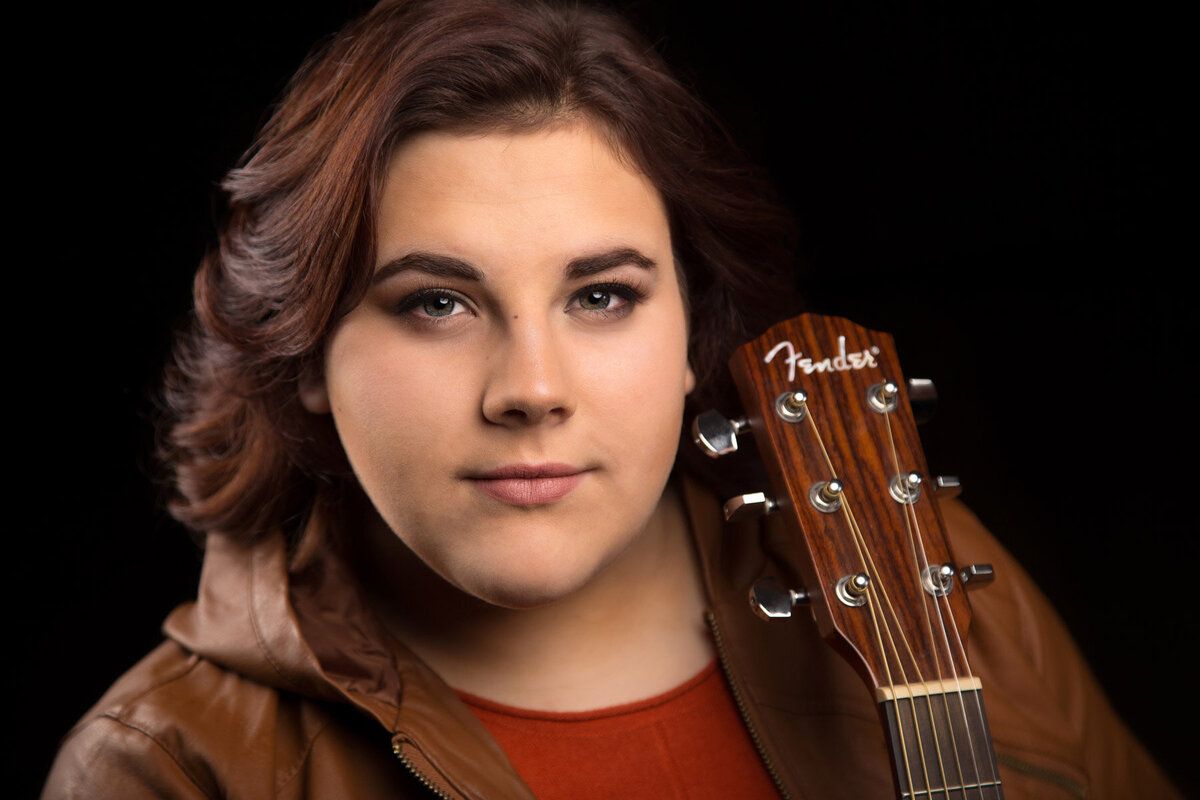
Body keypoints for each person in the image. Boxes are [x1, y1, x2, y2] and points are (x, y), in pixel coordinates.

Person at [43, 0, 1178, 797]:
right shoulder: (166, 765)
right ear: (303, 354)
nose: (532, 389)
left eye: (600, 294)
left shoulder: (907, 569)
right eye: (437, 303)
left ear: (695, 328)